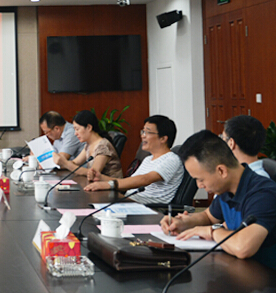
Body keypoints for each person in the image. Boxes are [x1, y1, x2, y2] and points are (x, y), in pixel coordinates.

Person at [160, 130, 276, 269]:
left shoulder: (263, 193)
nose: (199, 185)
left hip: (264, 275)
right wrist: (184, 222)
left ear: (221, 171)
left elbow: (243, 248)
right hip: (237, 269)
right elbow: (209, 216)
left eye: (200, 179)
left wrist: (212, 232)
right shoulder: (226, 188)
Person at [83, 115, 184, 204]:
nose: (142, 136)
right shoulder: (148, 159)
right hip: (130, 201)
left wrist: (108, 185)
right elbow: (128, 182)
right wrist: (101, 177)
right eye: (143, 131)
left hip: (149, 209)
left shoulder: (172, 159)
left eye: (148, 132)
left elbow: (145, 179)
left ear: (163, 138)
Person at [52, 110, 123, 178]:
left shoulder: (103, 146)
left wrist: (65, 163)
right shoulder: (88, 144)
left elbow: (94, 173)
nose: (75, 133)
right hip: (96, 184)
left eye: (77, 129)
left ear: (89, 127)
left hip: (109, 185)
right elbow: (75, 162)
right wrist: (56, 165)